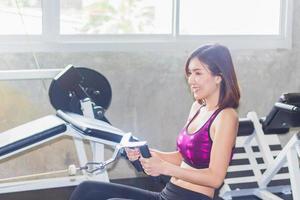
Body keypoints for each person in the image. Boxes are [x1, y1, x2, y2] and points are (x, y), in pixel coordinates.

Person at [69, 44, 240, 200]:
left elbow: (215, 178)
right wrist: (148, 153)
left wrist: (164, 168)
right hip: (169, 194)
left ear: (219, 77)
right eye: (189, 74)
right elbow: (184, 157)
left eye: (198, 73)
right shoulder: (197, 108)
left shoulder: (226, 117)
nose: (191, 80)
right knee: (88, 189)